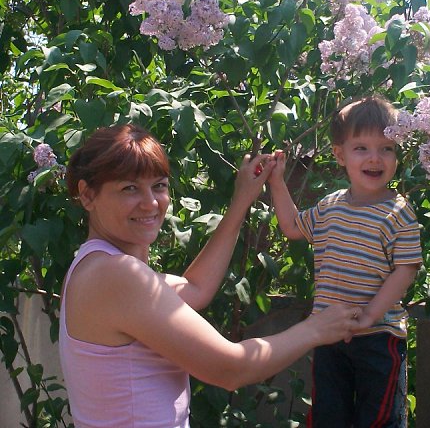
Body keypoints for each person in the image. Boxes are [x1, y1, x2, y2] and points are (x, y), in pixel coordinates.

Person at [59, 123, 361, 428]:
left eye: (159, 186)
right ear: (87, 195)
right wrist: (317, 328)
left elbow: (195, 288)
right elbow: (230, 369)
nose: (150, 203)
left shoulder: (95, 267)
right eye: (129, 188)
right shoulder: (116, 274)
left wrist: (242, 199)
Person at [268, 96, 423, 428]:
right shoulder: (330, 206)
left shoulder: (399, 212)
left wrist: (369, 316)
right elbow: (292, 227)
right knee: (328, 416)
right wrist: (277, 181)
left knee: (378, 420)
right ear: (340, 155)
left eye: (386, 148)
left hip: (378, 336)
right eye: (361, 148)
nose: (375, 158)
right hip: (328, 334)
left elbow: (406, 269)